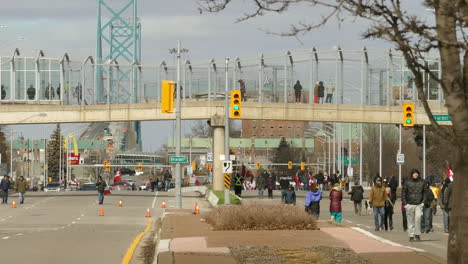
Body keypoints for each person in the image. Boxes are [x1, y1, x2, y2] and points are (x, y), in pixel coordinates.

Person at [401, 169, 427, 242]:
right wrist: (405, 203)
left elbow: (425, 192)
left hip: (419, 204)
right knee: (410, 221)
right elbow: (403, 193)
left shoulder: (422, 182)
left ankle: (417, 235)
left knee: (418, 219)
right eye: (414, 173)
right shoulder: (407, 182)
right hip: (409, 204)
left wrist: (423, 202)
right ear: (412, 174)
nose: (416, 174)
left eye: (417, 173)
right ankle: (411, 236)